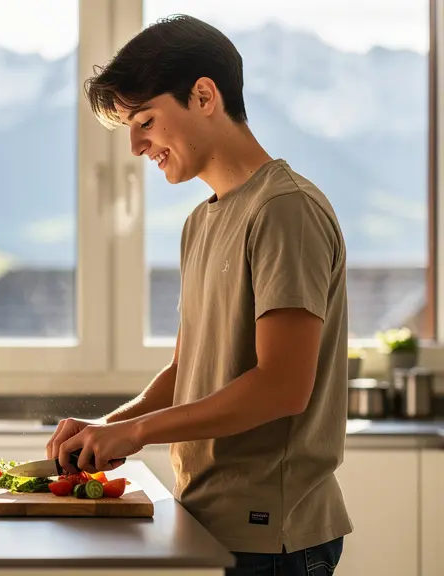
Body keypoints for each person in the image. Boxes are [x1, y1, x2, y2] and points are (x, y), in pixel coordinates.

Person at [46, 15, 351, 576]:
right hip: (209, 521)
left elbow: (283, 387)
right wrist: (105, 430)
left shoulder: (285, 210)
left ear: (204, 95)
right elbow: (187, 370)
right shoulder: (201, 222)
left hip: (275, 538)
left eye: (146, 122)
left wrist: (133, 432)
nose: (137, 145)